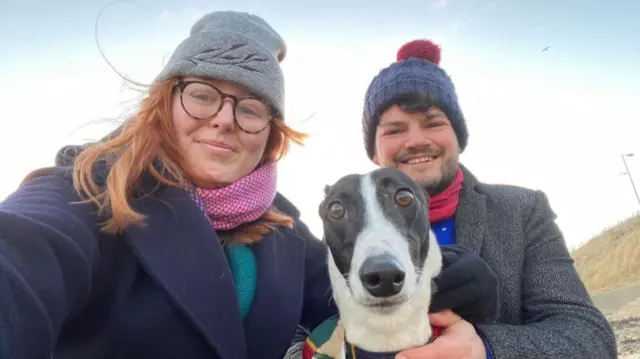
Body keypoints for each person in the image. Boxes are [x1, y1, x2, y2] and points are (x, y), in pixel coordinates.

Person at [0, 11, 500, 359]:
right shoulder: (80, 193)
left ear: (270, 134)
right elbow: (21, 259)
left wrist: (450, 275)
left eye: (250, 107)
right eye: (201, 94)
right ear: (161, 106)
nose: (224, 119)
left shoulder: (283, 232)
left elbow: (350, 296)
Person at [355, 39, 617, 358]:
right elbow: (304, 338)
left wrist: (487, 349)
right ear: (374, 151)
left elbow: (589, 336)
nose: (416, 141)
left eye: (433, 123)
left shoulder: (522, 211)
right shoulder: (346, 231)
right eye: (394, 130)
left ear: (458, 137)